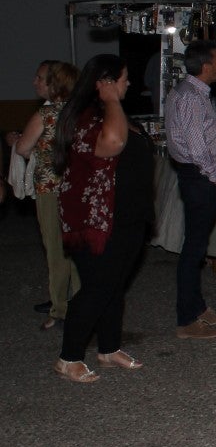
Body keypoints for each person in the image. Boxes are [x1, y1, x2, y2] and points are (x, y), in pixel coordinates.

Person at [52, 55, 154, 383]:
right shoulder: (85, 116)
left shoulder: (112, 111)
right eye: (122, 78)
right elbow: (112, 144)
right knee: (97, 287)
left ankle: (108, 348)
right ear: (104, 82)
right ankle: (68, 358)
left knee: (114, 286)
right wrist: (111, 99)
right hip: (99, 221)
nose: (128, 84)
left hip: (127, 218)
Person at [164, 39, 216, 339]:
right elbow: (196, 143)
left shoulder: (192, 92)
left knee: (197, 245)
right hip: (200, 177)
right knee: (193, 249)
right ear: (206, 67)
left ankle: (198, 307)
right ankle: (187, 320)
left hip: (197, 176)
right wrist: (212, 175)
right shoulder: (191, 96)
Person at [9, 60, 80, 330]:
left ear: (55, 84)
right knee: (78, 248)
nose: (34, 82)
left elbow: (24, 149)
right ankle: (80, 301)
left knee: (56, 250)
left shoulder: (45, 114)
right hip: (77, 189)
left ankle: (60, 308)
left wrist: (14, 142)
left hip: (50, 189)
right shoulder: (81, 112)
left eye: (40, 78)